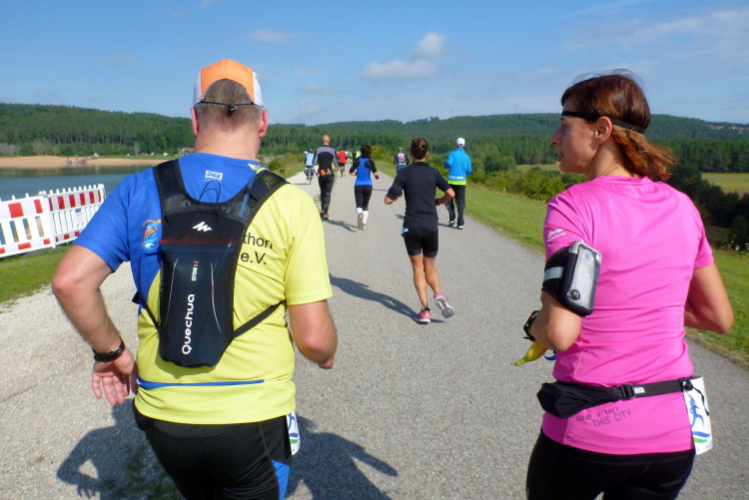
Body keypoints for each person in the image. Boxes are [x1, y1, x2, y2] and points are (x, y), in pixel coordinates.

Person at [52, 59, 338, 500]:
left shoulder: (140, 187)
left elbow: (71, 282)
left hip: (165, 417)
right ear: (262, 122)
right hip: (253, 418)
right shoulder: (289, 203)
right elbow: (314, 339)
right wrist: (327, 354)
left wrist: (112, 353)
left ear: (194, 119)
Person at [523, 71, 733, 499]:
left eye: (564, 125)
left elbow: (560, 333)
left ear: (601, 130)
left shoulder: (572, 207)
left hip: (591, 431)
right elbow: (718, 317)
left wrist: (534, 327)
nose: (555, 138)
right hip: (675, 433)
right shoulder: (682, 205)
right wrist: (640, 307)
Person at [384, 138, 456, 324]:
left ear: (410, 153)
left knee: (417, 268)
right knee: (429, 266)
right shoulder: (434, 172)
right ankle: (438, 293)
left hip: (412, 224)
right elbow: (451, 193)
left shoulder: (404, 173)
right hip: (431, 224)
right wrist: (438, 202)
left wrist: (397, 195)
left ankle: (425, 311)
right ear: (427, 153)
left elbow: (388, 200)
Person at [443, 137, 472, 229]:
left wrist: (445, 165)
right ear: (464, 145)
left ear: (456, 144)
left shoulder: (452, 154)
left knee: (448, 199)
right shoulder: (467, 156)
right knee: (460, 202)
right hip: (462, 181)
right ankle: (460, 222)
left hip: (451, 180)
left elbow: (449, 164)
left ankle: (452, 218)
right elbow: (469, 171)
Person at [349, 144, 379, 230]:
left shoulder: (357, 160)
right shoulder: (370, 161)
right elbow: (376, 174)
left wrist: (357, 173)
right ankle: (364, 225)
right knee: (365, 205)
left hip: (358, 185)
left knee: (359, 205)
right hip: (368, 185)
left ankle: (359, 213)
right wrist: (376, 175)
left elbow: (350, 172)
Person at [313, 135, 339, 219]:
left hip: (321, 173)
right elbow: (336, 164)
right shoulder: (332, 151)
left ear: (321, 141)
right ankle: (326, 212)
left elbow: (314, 162)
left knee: (322, 192)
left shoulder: (318, 150)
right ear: (329, 142)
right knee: (328, 193)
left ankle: (322, 209)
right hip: (329, 174)